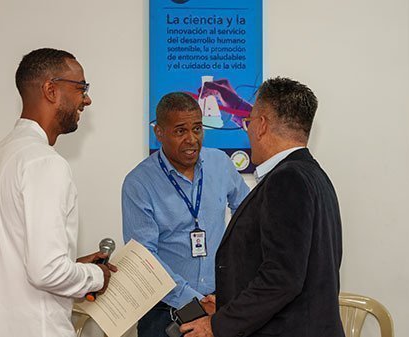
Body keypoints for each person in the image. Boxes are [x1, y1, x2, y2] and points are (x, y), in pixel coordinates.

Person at [0, 48, 116, 337]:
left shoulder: (0, 156)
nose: (86, 99)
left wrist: (71, 265)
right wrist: (97, 276)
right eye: (81, 88)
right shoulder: (45, 163)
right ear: (51, 90)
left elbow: (21, 259)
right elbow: (47, 271)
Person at [181, 77, 345, 337]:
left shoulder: (287, 179)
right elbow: (285, 266)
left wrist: (218, 325)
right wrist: (228, 304)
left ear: (262, 125)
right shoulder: (313, 175)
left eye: (249, 121)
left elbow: (281, 279)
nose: (247, 130)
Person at [122, 92, 250, 337]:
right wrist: (194, 301)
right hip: (164, 311)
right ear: (159, 133)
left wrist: (234, 279)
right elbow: (144, 257)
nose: (192, 139)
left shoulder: (219, 163)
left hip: (218, 303)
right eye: (180, 131)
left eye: (197, 128)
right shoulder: (139, 183)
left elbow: (248, 216)